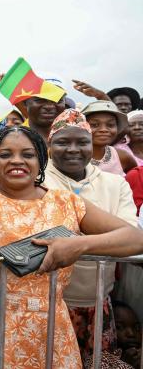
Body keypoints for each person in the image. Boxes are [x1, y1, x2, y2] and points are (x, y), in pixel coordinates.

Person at [0, 123, 143, 368]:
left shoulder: (66, 202)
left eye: (27, 154)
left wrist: (80, 245)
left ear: (41, 161)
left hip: (50, 327)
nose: (16, 161)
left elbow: (135, 238)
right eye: (5, 154)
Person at [43, 109, 138, 367]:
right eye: (63, 142)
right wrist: (109, 237)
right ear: (50, 145)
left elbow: (131, 237)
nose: (73, 149)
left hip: (99, 303)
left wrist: (76, 243)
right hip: (49, 303)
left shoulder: (114, 183)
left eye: (81, 142)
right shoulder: (38, 180)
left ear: (91, 144)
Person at [82, 100, 136, 175]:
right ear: (82, 126)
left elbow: (137, 178)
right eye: (94, 125)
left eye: (110, 125)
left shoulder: (122, 156)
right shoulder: (73, 157)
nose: (103, 129)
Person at [114, 301, 142, 368]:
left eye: (136, 327)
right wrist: (125, 365)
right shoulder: (95, 361)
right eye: (119, 327)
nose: (131, 334)